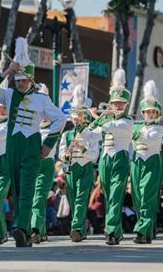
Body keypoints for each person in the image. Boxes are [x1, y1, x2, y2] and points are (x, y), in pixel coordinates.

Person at [0, 38, 65, 247]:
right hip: (12, 146)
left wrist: (47, 145)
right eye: (17, 81)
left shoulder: (41, 99)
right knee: (16, 189)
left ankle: (21, 228)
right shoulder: (8, 95)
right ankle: (22, 230)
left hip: (31, 145)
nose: (19, 84)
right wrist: (8, 71)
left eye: (22, 80)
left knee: (27, 189)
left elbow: (60, 119)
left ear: (31, 79)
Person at [89, 69, 133, 245]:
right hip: (105, 159)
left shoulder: (128, 121)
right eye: (114, 103)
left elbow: (112, 128)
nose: (117, 106)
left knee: (115, 195)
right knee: (108, 195)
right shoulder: (107, 119)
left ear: (126, 105)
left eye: (121, 104)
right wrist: (94, 118)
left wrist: (100, 117)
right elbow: (92, 133)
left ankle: (112, 231)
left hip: (120, 158)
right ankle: (116, 229)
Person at [59, 85, 99, 242]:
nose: (77, 119)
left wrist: (81, 148)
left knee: (82, 198)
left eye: (80, 116)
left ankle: (75, 227)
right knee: (72, 199)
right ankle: (81, 229)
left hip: (85, 168)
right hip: (71, 169)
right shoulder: (67, 135)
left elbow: (94, 156)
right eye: (75, 117)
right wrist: (66, 154)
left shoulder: (91, 134)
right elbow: (61, 153)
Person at [130, 80, 163, 244]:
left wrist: (131, 131)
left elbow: (152, 139)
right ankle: (147, 227)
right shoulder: (136, 126)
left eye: (153, 112)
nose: (150, 114)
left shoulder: (160, 127)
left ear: (157, 113)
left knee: (147, 195)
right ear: (143, 113)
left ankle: (142, 230)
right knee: (137, 198)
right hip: (137, 162)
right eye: (147, 112)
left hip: (151, 161)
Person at [30, 84, 60, 244]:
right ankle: (40, 231)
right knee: (31, 197)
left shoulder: (54, 128)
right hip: (31, 164)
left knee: (39, 197)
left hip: (46, 164)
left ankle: (35, 229)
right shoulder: (32, 126)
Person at [0, 79, 9, 245]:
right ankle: (2, 233)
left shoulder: (10, 123)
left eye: (2, 108)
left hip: (5, 162)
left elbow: (0, 133)